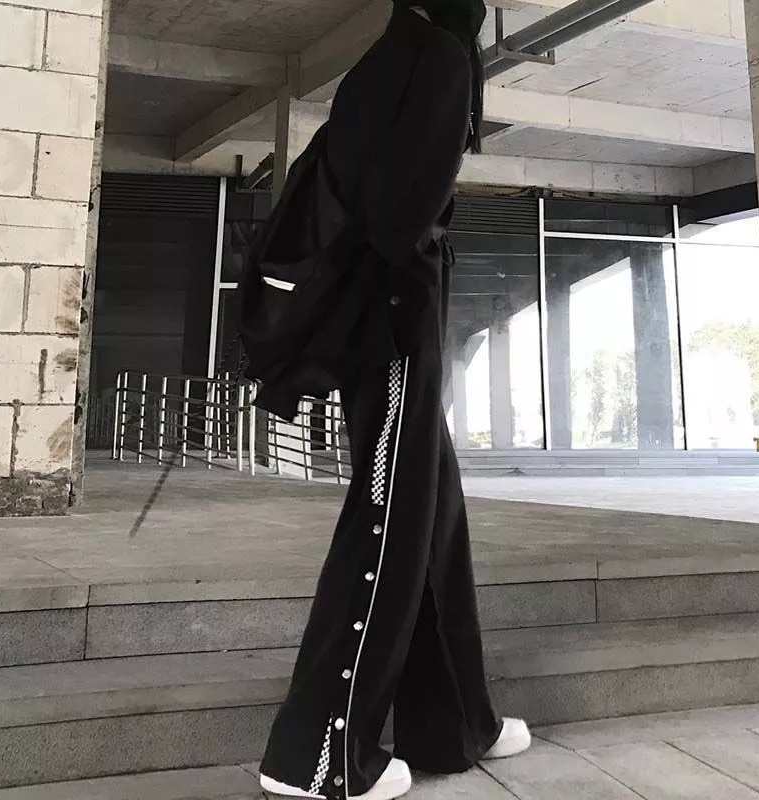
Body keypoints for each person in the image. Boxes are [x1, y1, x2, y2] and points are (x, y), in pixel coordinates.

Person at [259, 2, 531, 798]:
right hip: (392, 325)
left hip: (380, 321)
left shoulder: (389, 56)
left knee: (432, 517)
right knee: (388, 523)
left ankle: (456, 722)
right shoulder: (439, 56)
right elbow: (398, 217)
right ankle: (314, 756)